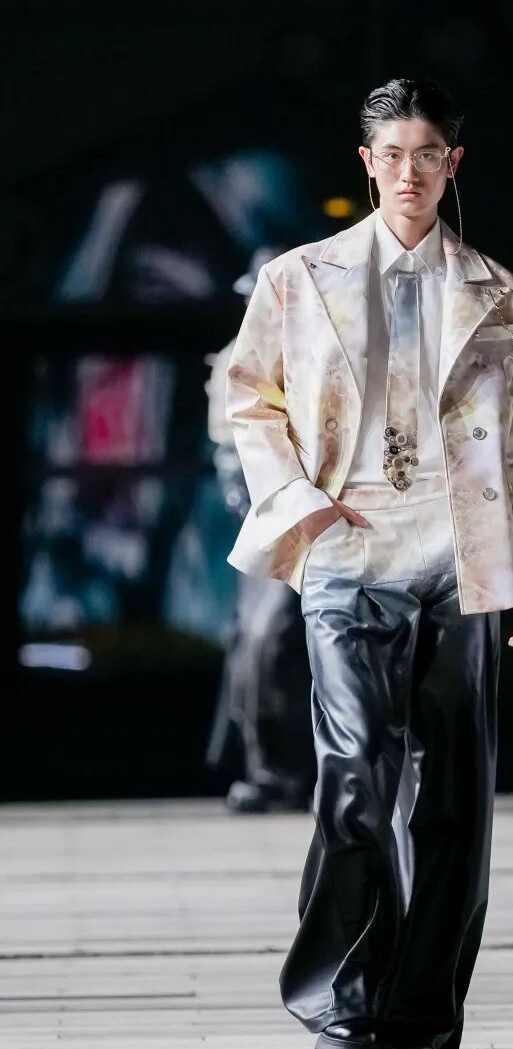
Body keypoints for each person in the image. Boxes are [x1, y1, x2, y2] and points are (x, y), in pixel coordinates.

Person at [225, 78, 513, 1049]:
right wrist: (300, 503)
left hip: (462, 557)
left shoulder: (503, 297)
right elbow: (249, 399)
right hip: (348, 551)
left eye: (427, 154)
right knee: (355, 774)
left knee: (455, 795)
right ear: (366, 164)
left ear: (452, 163)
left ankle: (419, 1016)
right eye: (391, 154)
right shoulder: (297, 278)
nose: (408, 172)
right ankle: (344, 999)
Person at [205, 247, 316, 813]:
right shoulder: (237, 358)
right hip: (272, 519)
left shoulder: (323, 350)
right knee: (263, 640)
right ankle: (270, 768)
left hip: (326, 516)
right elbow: (233, 455)